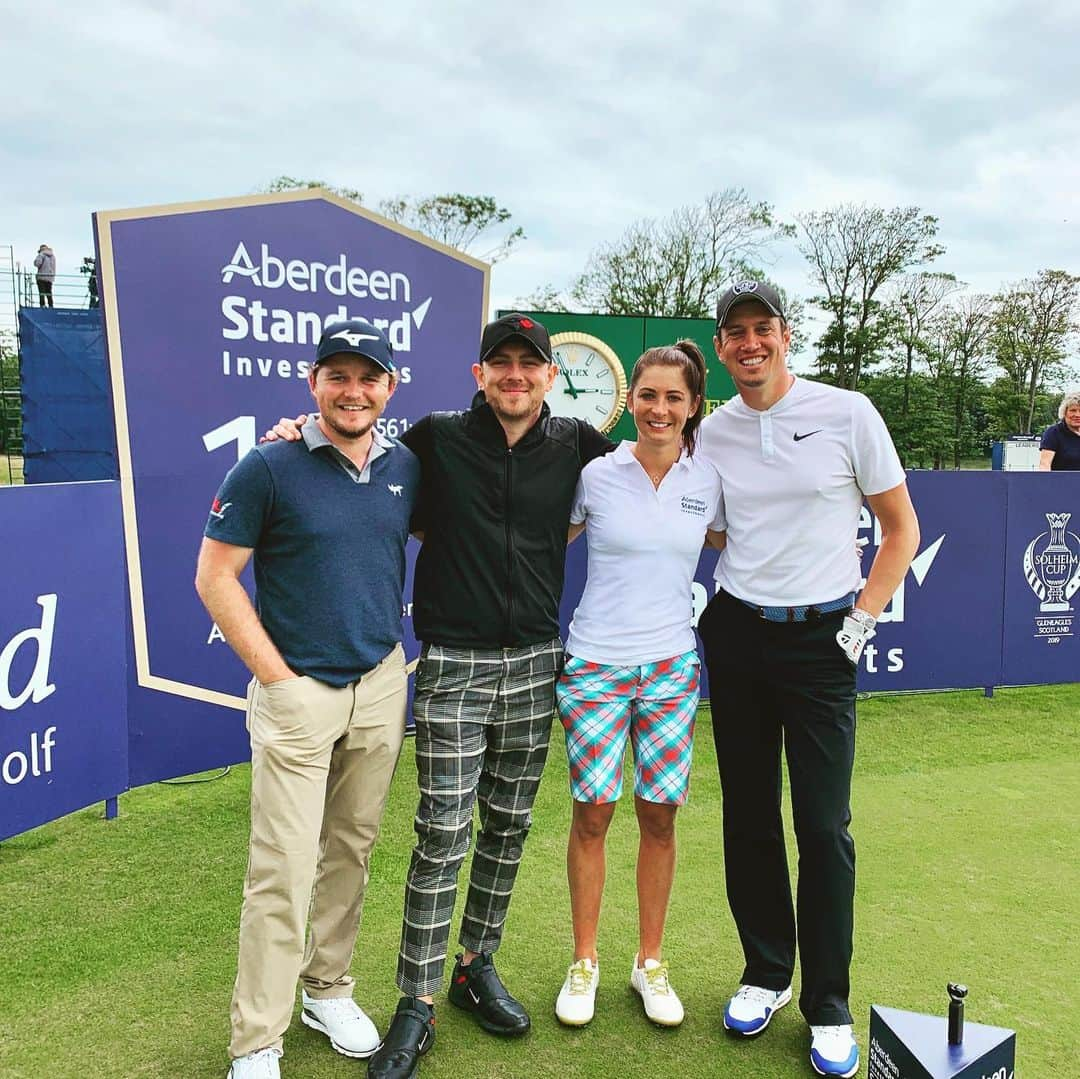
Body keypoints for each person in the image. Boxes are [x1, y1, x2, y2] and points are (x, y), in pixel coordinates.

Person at [265, 313, 613, 1079]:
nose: (515, 375)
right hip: (453, 662)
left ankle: (474, 966)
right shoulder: (436, 436)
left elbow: (654, 469)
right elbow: (354, 453)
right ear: (478, 373)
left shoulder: (579, 444)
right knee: (443, 831)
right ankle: (416, 1002)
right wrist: (297, 429)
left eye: (530, 363)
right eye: (501, 363)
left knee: (509, 827)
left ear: (550, 376)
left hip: (536, 661)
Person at [695, 281, 920, 1079]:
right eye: (735, 333)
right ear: (720, 347)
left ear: (786, 335)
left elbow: (901, 528)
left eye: (763, 329)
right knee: (750, 816)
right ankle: (766, 971)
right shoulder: (713, 429)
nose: (750, 343)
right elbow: (713, 524)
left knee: (823, 826)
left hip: (823, 637)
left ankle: (827, 1000)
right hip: (738, 630)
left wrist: (859, 620)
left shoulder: (847, 411)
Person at [195, 321, 418, 1079]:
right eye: (338, 376)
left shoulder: (405, 465)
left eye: (369, 378)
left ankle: (328, 988)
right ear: (313, 381)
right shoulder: (268, 464)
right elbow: (215, 576)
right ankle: (257, 1037)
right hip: (299, 692)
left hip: (381, 683)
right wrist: (278, 679)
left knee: (350, 851)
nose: (353, 392)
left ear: (389, 387)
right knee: (281, 868)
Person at [552, 342, 723, 1030]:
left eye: (673, 397)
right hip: (594, 661)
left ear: (692, 406)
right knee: (593, 812)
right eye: (648, 395)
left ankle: (648, 959)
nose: (658, 409)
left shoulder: (708, 478)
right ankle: (585, 958)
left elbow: (736, 540)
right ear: (631, 400)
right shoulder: (596, 473)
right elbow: (543, 540)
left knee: (659, 813)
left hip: (673, 668)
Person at [1038, 390, 1080, 470]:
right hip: (1062, 482)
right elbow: (1045, 464)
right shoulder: (1053, 432)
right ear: (1064, 412)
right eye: (1073, 410)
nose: (1077, 415)